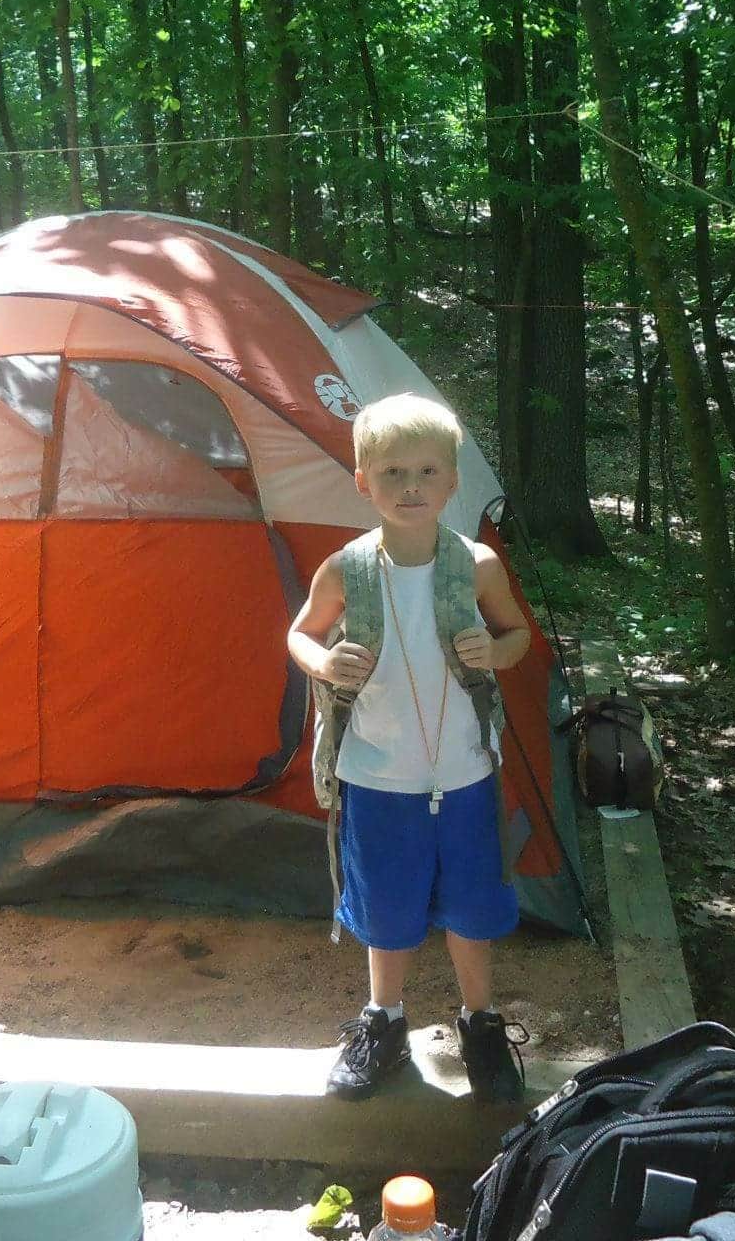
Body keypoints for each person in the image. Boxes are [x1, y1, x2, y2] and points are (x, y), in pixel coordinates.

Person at [286, 393, 532, 1103]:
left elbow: (518, 637)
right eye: (392, 473)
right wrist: (322, 663)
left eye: (427, 471)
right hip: (376, 775)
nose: (412, 487)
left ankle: (479, 1024)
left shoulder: (477, 566)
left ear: (453, 481)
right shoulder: (346, 569)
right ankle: (384, 1022)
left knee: (471, 905)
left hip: (464, 773)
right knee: (387, 908)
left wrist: (498, 649)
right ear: (364, 482)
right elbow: (300, 633)